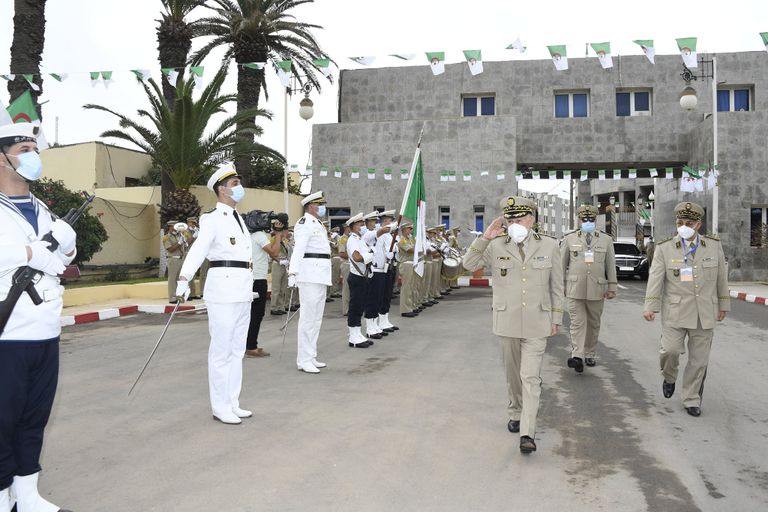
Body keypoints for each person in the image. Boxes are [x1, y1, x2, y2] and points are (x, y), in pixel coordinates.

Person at [0, 123, 75, 512]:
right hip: (8, 333)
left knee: (34, 417)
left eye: (35, 149)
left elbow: (59, 261)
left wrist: (67, 248)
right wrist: (32, 253)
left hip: (45, 329)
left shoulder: (43, 209)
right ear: (2, 158)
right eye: (24, 149)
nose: (33, 156)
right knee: (2, 420)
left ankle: (27, 493)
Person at [462, 195, 564, 454]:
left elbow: (557, 286)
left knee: (530, 377)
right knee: (513, 374)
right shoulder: (496, 245)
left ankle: (527, 433)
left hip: (537, 322)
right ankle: (515, 410)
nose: (513, 224)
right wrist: (485, 237)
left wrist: (556, 318)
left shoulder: (550, 245)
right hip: (506, 320)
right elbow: (468, 264)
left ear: (531, 220)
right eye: (509, 220)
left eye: (519, 219)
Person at [176, 163, 253, 425]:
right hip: (223, 290)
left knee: (237, 350)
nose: (239, 188)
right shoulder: (212, 218)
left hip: (242, 290)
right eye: (235, 184)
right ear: (222, 189)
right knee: (221, 351)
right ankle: (220, 407)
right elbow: (199, 249)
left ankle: (233, 402)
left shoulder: (238, 218)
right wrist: (184, 278)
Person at [643, 201, 730, 417]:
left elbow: (721, 278)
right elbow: (655, 279)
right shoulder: (665, 248)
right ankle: (669, 377)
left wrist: (723, 304)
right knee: (670, 351)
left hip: (704, 312)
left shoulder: (713, 246)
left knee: (699, 361)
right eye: (680, 222)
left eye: (688, 223)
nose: (683, 226)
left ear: (698, 224)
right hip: (676, 311)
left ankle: (691, 398)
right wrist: (650, 306)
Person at [560, 204, 617, 372]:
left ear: (595, 220)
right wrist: (560, 285)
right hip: (574, 288)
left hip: (597, 289)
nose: (587, 222)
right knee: (577, 323)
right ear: (579, 220)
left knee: (593, 324)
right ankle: (577, 356)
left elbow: (610, 265)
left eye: (590, 219)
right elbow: (561, 265)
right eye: (584, 219)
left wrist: (612, 287)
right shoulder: (569, 239)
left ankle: (590, 353)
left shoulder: (606, 240)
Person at [288, 191, 332, 374]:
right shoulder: (304, 223)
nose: (322, 207)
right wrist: (293, 273)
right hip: (309, 274)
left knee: (316, 319)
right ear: (311, 206)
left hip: (320, 274)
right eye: (319, 204)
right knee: (308, 318)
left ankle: (311, 355)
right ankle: (303, 360)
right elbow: (298, 249)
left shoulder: (318, 223)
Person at [245, 216, 287, 358]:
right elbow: (274, 252)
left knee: (249, 314)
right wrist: (278, 235)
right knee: (257, 313)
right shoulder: (259, 235)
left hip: (250, 277)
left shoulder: (249, 235)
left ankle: (248, 344)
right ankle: (251, 347)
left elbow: (269, 254)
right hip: (257, 279)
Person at [344, 213, 374, 348]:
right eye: (359, 225)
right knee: (355, 306)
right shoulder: (352, 240)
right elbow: (356, 257)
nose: (362, 227)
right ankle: (353, 336)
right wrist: (370, 255)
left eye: (362, 224)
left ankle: (357, 333)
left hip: (363, 276)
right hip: (356, 276)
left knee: (360, 306)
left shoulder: (359, 239)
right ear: (352, 227)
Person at [163, 220, 189, 303]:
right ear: (170, 227)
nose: (176, 229)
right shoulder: (166, 237)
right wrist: (179, 243)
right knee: (172, 279)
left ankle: (179, 296)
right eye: (174, 227)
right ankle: (172, 298)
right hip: (173, 259)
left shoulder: (179, 236)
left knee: (180, 279)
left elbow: (185, 247)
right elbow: (170, 249)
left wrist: (184, 241)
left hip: (181, 259)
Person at [398, 222, 419, 318]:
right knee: (406, 287)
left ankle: (411, 307)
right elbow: (410, 250)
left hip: (412, 263)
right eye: (409, 229)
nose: (411, 230)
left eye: (411, 229)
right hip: (406, 264)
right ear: (403, 230)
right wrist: (419, 248)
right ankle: (405, 309)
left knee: (412, 286)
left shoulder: (410, 239)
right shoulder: (402, 240)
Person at [338, 223, 351, 316]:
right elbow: (341, 253)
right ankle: (346, 309)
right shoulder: (343, 239)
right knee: (346, 288)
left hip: (352, 265)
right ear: (346, 228)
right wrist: (353, 257)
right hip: (346, 264)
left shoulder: (351, 238)